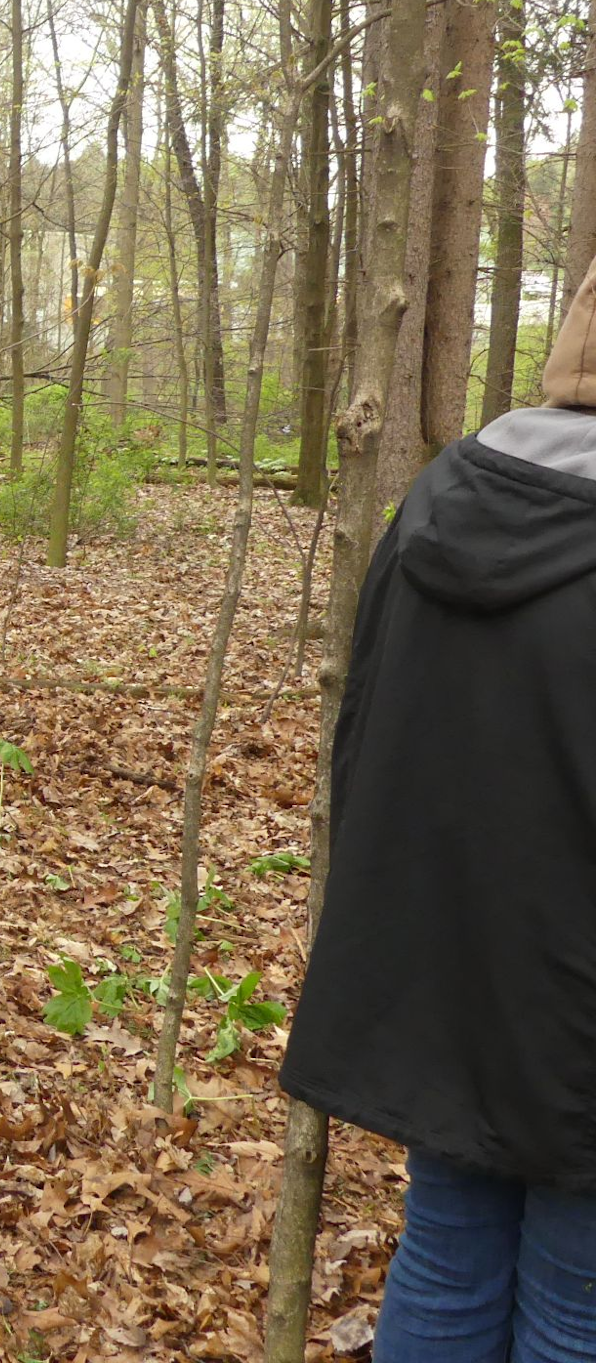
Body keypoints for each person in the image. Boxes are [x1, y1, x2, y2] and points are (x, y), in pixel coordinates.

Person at [278, 255, 596, 1358]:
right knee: (574, 1299)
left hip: (441, 971)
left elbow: (363, 736)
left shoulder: (442, 490)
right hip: (571, 1007)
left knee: (449, 1254)